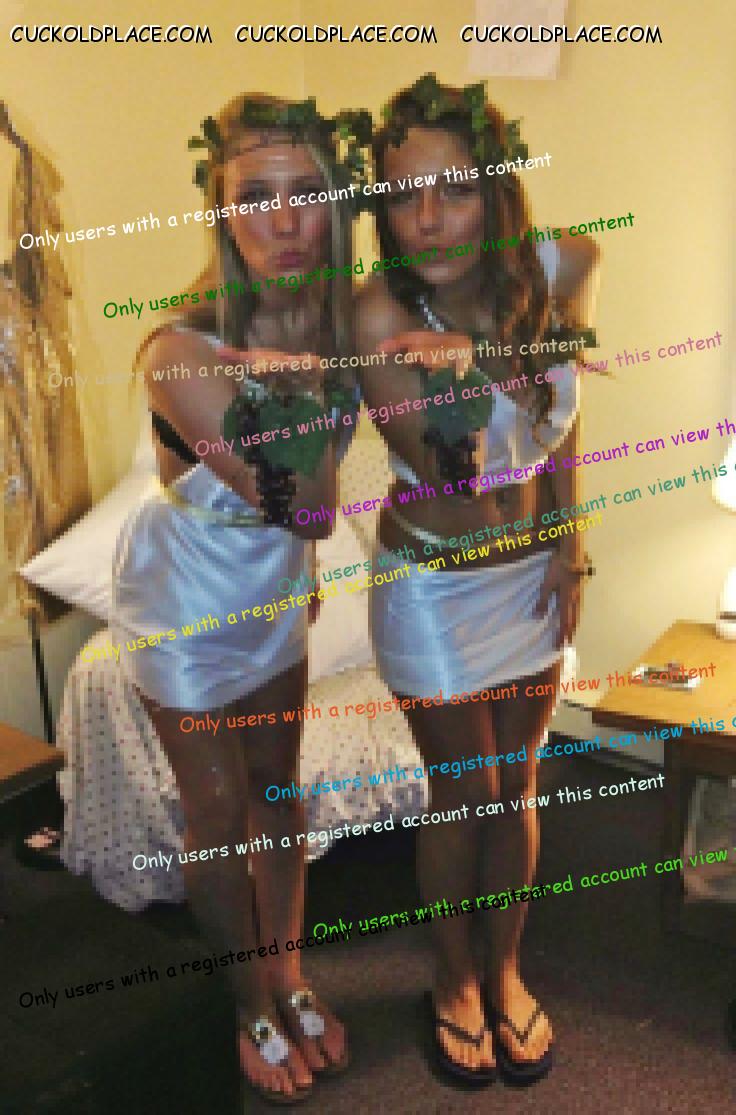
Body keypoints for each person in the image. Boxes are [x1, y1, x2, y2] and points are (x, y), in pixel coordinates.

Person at [111, 92, 366, 1105]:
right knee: (218, 811)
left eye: (308, 192)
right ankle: (248, 1001)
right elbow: (310, 501)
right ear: (219, 208)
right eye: (256, 195)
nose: (284, 219)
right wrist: (299, 388)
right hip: (183, 602)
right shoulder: (179, 352)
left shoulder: (336, 319)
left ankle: (288, 970)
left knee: (277, 790)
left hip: (272, 587)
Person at [357, 75, 598, 1086]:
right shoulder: (376, 314)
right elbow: (456, 464)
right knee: (467, 790)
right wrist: (470, 361)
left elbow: (563, 418)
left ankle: (504, 967)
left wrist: (569, 537)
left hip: (531, 576)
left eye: (454, 189)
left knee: (520, 782)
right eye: (402, 196)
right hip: (434, 590)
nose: (427, 218)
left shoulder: (559, 267)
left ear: (497, 189)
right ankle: (451, 976)